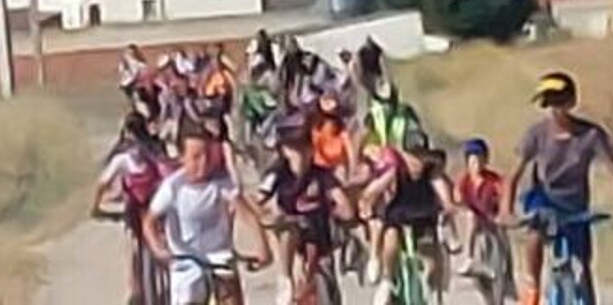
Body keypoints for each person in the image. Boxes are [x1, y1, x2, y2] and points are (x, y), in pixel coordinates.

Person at [507, 71, 613, 305]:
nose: (555, 108)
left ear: (572, 101)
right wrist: (506, 209)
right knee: (536, 229)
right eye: (550, 102)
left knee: (582, 265)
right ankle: (531, 286)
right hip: (544, 198)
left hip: (575, 204)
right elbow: (513, 175)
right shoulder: (537, 134)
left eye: (560, 101)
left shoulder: (591, 135)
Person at [146, 129, 271, 305]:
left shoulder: (221, 183)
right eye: (196, 157)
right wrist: (157, 247)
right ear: (182, 157)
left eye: (207, 156)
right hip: (186, 258)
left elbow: (245, 214)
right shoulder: (173, 187)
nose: (203, 163)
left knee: (231, 298)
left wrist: (262, 247)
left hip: (219, 255)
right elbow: (150, 221)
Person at [259, 124, 353, 305]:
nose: (299, 154)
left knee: (328, 289)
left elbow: (343, 203)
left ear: (311, 149)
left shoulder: (322, 175)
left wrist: (341, 209)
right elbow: (257, 202)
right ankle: (284, 278)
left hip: (320, 246)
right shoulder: (277, 176)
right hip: (292, 250)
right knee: (290, 228)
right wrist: (272, 216)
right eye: (293, 149)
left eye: (304, 147)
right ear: (284, 151)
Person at [362, 128, 455, 305]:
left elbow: (441, 188)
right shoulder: (397, 169)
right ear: (404, 154)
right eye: (413, 154)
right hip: (399, 214)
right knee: (391, 240)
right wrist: (367, 200)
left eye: (421, 155)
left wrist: (449, 205)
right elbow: (377, 187)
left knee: (432, 251)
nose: (417, 160)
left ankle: (433, 289)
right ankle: (387, 280)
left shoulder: (431, 170)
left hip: (424, 217)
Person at [94, 113, 176, 305]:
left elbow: (101, 184)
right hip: (155, 206)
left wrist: (96, 207)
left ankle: (134, 288)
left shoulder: (122, 158)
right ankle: (170, 279)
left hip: (134, 208)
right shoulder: (155, 150)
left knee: (132, 246)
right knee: (162, 241)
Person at [454, 137, 508, 276]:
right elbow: (457, 199)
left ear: (486, 160)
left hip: (492, 218)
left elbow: (504, 193)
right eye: (472, 161)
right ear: (467, 163)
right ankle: (469, 257)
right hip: (474, 219)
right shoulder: (464, 181)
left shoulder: (493, 179)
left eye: (479, 159)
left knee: (502, 233)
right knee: (471, 218)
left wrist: (502, 210)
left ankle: (506, 270)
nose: (476, 164)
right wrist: (463, 208)